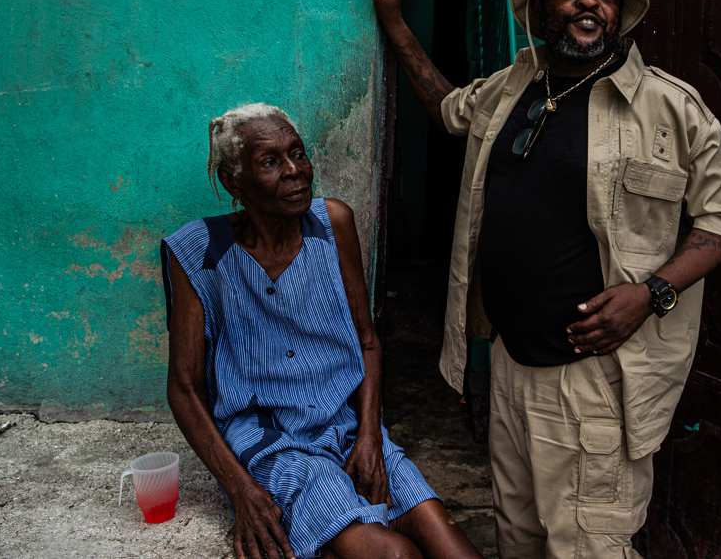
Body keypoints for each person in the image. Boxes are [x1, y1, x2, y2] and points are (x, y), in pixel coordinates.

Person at [364, 0, 721, 558]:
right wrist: (394, 20)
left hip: (595, 379)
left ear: (621, 11)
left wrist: (652, 293)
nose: (588, 4)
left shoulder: (669, 107)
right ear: (540, 11)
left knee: (589, 547)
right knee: (519, 538)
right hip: (513, 365)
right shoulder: (512, 87)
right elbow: (443, 109)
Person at [163, 103, 485, 559]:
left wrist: (371, 435)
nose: (296, 171)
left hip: (347, 426)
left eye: (298, 153)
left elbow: (368, 340)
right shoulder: (198, 251)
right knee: (395, 555)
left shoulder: (333, 223)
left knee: (452, 546)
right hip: (271, 442)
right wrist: (239, 490)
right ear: (234, 180)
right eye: (271, 162)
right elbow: (184, 387)